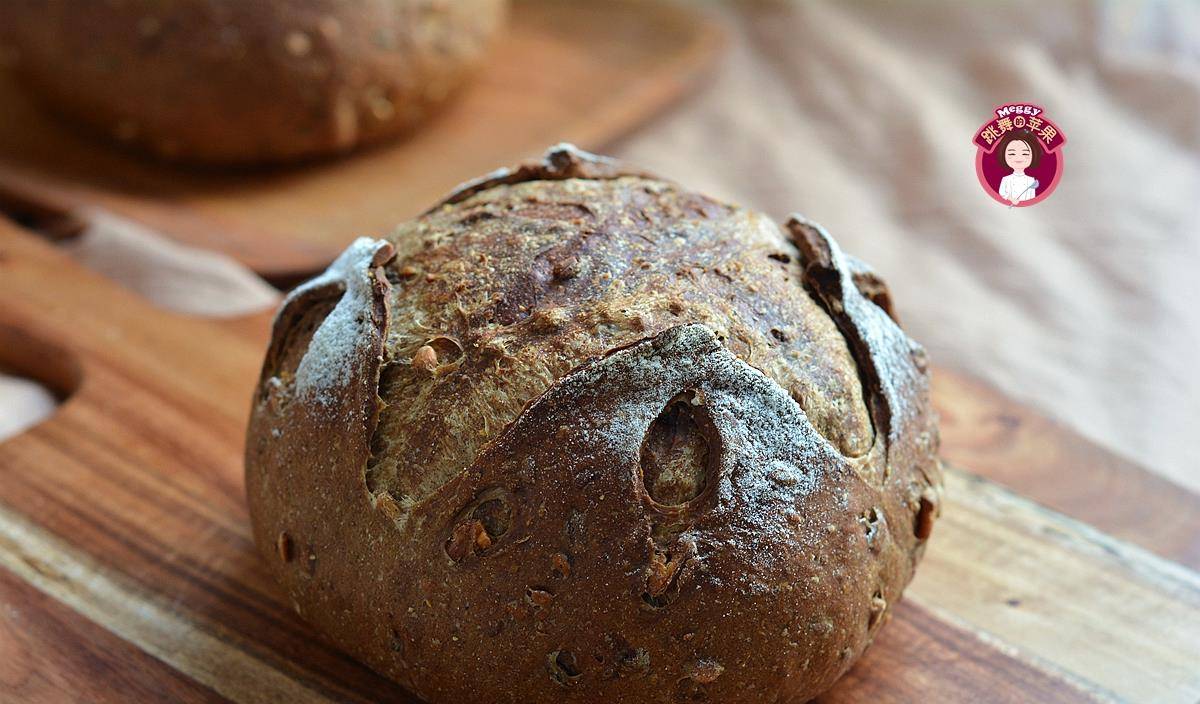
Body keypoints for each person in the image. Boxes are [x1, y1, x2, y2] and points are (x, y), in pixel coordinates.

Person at [995, 131, 1042, 205]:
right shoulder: (1006, 179)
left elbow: (1032, 198)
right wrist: (1011, 199)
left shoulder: (1031, 180)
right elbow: (1002, 193)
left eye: (1025, 154)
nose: (1018, 158)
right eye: (1012, 154)